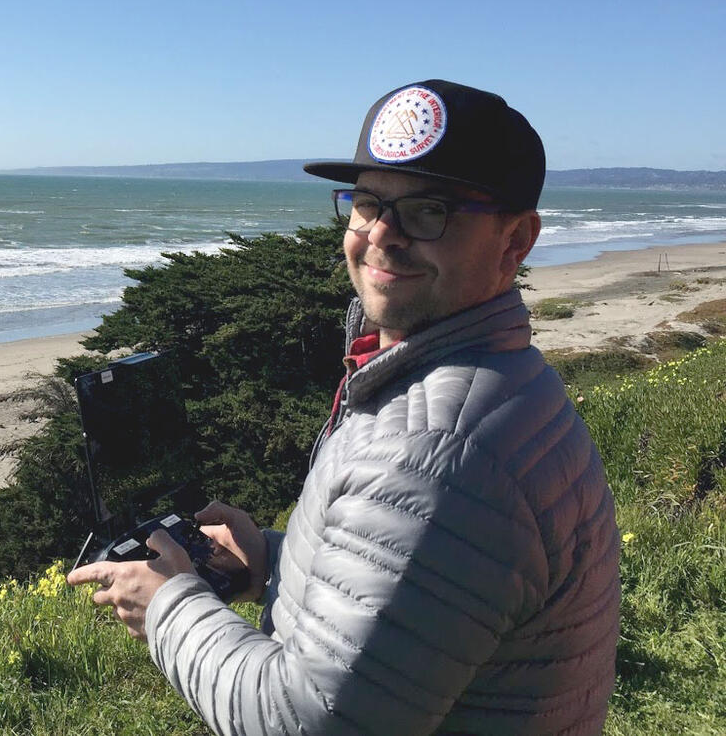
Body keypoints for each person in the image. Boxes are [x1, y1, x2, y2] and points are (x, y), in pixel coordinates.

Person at [67, 80, 620, 735]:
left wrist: (168, 606)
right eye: (368, 202)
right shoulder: (498, 382)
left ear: (515, 242)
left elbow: (305, 722)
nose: (381, 235)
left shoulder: (432, 451)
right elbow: (422, 603)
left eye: (430, 210)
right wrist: (276, 561)